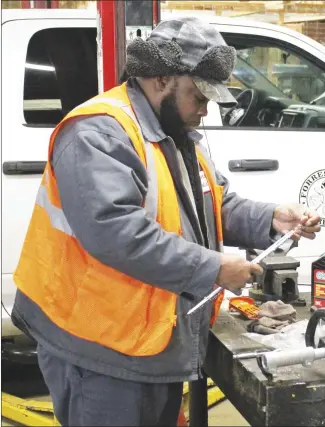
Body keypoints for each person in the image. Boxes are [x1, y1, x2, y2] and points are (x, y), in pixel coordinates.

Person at [12, 17, 321, 427]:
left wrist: (271, 218)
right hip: (99, 348)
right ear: (160, 79)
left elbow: (213, 203)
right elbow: (117, 232)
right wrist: (214, 268)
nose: (206, 109)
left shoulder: (174, 132)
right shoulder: (100, 134)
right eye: (198, 96)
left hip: (147, 339)